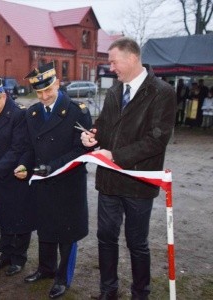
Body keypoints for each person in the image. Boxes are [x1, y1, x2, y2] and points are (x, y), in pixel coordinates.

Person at [80, 37, 176, 300]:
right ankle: (108, 291)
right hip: (109, 182)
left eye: (113, 61)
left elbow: (157, 139)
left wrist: (116, 155)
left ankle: (140, 294)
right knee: (106, 238)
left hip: (138, 183)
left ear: (132, 58)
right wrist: (93, 135)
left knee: (137, 243)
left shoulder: (161, 92)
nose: (110, 67)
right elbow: (105, 124)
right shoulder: (114, 91)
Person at [18, 62, 92, 299]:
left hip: (68, 182)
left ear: (57, 83)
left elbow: (83, 150)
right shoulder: (32, 113)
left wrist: (53, 167)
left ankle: (62, 278)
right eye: (38, 92)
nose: (43, 96)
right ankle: (46, 268)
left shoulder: (77, 110)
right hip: (42, 181)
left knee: (67, 232)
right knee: (46, 227)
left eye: (48, 90)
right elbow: (29, 146)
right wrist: (23, 164)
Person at [0, 78, 36, 276]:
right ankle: (5, 253)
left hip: (15, 174)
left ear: (3, 95)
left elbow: (16, 149)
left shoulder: (18, 114)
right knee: (3, 216)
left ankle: (19, 257)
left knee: (19, 217)